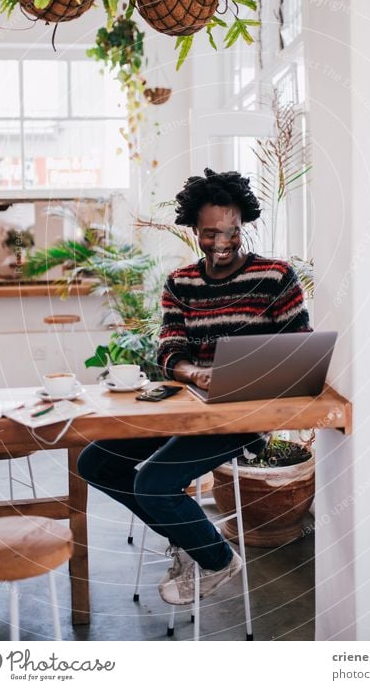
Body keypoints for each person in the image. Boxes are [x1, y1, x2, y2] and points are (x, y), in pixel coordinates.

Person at [77, 168, 311, 605]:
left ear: (244, 226)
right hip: (188, 406)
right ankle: (191, 538)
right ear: (193, 229)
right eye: (210, 233)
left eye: (232, 232)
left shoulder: (277, 276)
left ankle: (218, 559)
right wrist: (193, 373)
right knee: (95, 463)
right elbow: (169, 349)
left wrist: (257, 377)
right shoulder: (180, 284)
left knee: (152, 484)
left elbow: (299, 348)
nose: (222, 243)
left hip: (243, 418)